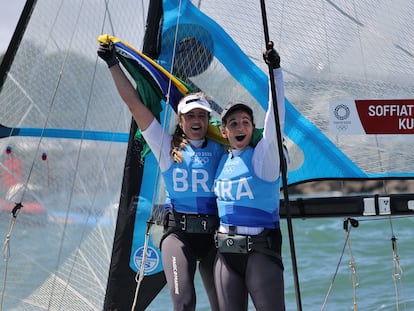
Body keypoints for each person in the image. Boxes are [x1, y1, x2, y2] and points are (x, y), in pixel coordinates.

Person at [97, 41, 224, 311]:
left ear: (208, 119)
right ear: (181, 120)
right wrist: (112, 64)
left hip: (214, 235)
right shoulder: (166, 146)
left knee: (226, 305)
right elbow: (134, 104)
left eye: (202, 115)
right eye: (191, 116)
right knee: (184, 303)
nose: (197, 120)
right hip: (177, 235)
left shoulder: (223, 148)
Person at [213, 42, 286, 311]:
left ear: (252, 127)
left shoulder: (263, 158)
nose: (240, 126)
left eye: (245, 121)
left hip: (259, 253)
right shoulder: (221, 160)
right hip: (225, 255)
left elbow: (276, 119)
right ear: (224, 132)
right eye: (233, 123)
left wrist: (275, 72)